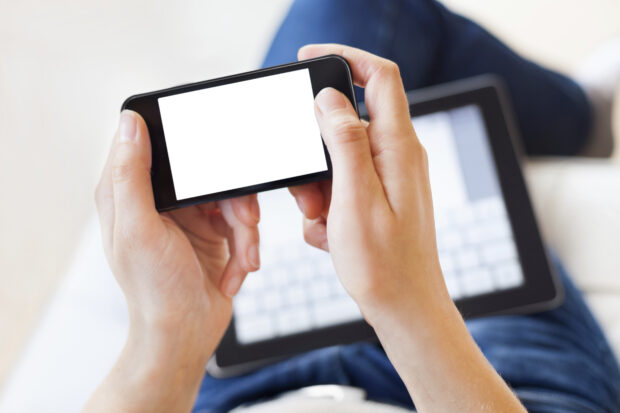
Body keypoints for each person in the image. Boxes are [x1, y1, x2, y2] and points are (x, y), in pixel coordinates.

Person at [84, 1, 620, 412]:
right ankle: (581, 120)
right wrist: (411, 306)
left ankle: (579, 118)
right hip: (486, 383)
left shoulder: (183, 336)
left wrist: (169, 337)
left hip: (234, 390)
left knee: (341, 41)